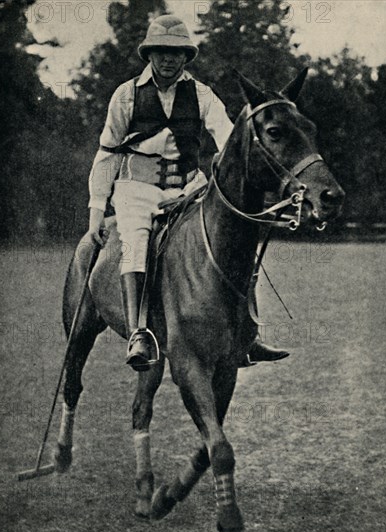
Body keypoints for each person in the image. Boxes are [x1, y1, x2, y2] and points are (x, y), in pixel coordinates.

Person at [87, 14, 288, 370]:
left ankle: (247, 334)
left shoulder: (201, 94)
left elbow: (226, 137)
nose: (169, 59)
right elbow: (107, 154)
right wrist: (96, 211)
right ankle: (139, 333)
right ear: (149, 54)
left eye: (177, 52)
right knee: (135, 243)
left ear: (186, 57)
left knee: (237, 238)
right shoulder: (127, 95)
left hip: (190, 185)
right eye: (162, 51)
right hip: (137, 189)